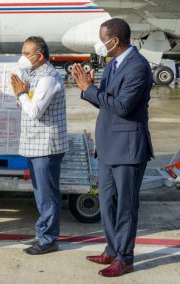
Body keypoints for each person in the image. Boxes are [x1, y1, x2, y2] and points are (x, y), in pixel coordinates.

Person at [72, 18, 154, 277]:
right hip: (108, 147)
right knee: (106, 203)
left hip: (128, 149)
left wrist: (90, 89)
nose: (100, 43)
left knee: (126, 207)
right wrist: (89, 90)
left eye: (102, 37)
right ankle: (111, 248)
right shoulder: (113, 65)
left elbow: (122, 107)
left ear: (114, 40)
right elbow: (106, 103)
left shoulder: (138, 67)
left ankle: (125, 258)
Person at [11, 36, 69, 255]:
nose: (23, 57)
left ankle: (49, 238)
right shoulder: (35, 75)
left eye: (27, 53)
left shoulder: (48, 78)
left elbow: (34, 111)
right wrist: (22, 95)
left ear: (40, 56)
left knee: (47, 194)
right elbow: (26, 107)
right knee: (40, 193)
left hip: (46, 146)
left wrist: (21, 94)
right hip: (35, 145)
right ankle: (42, 233)